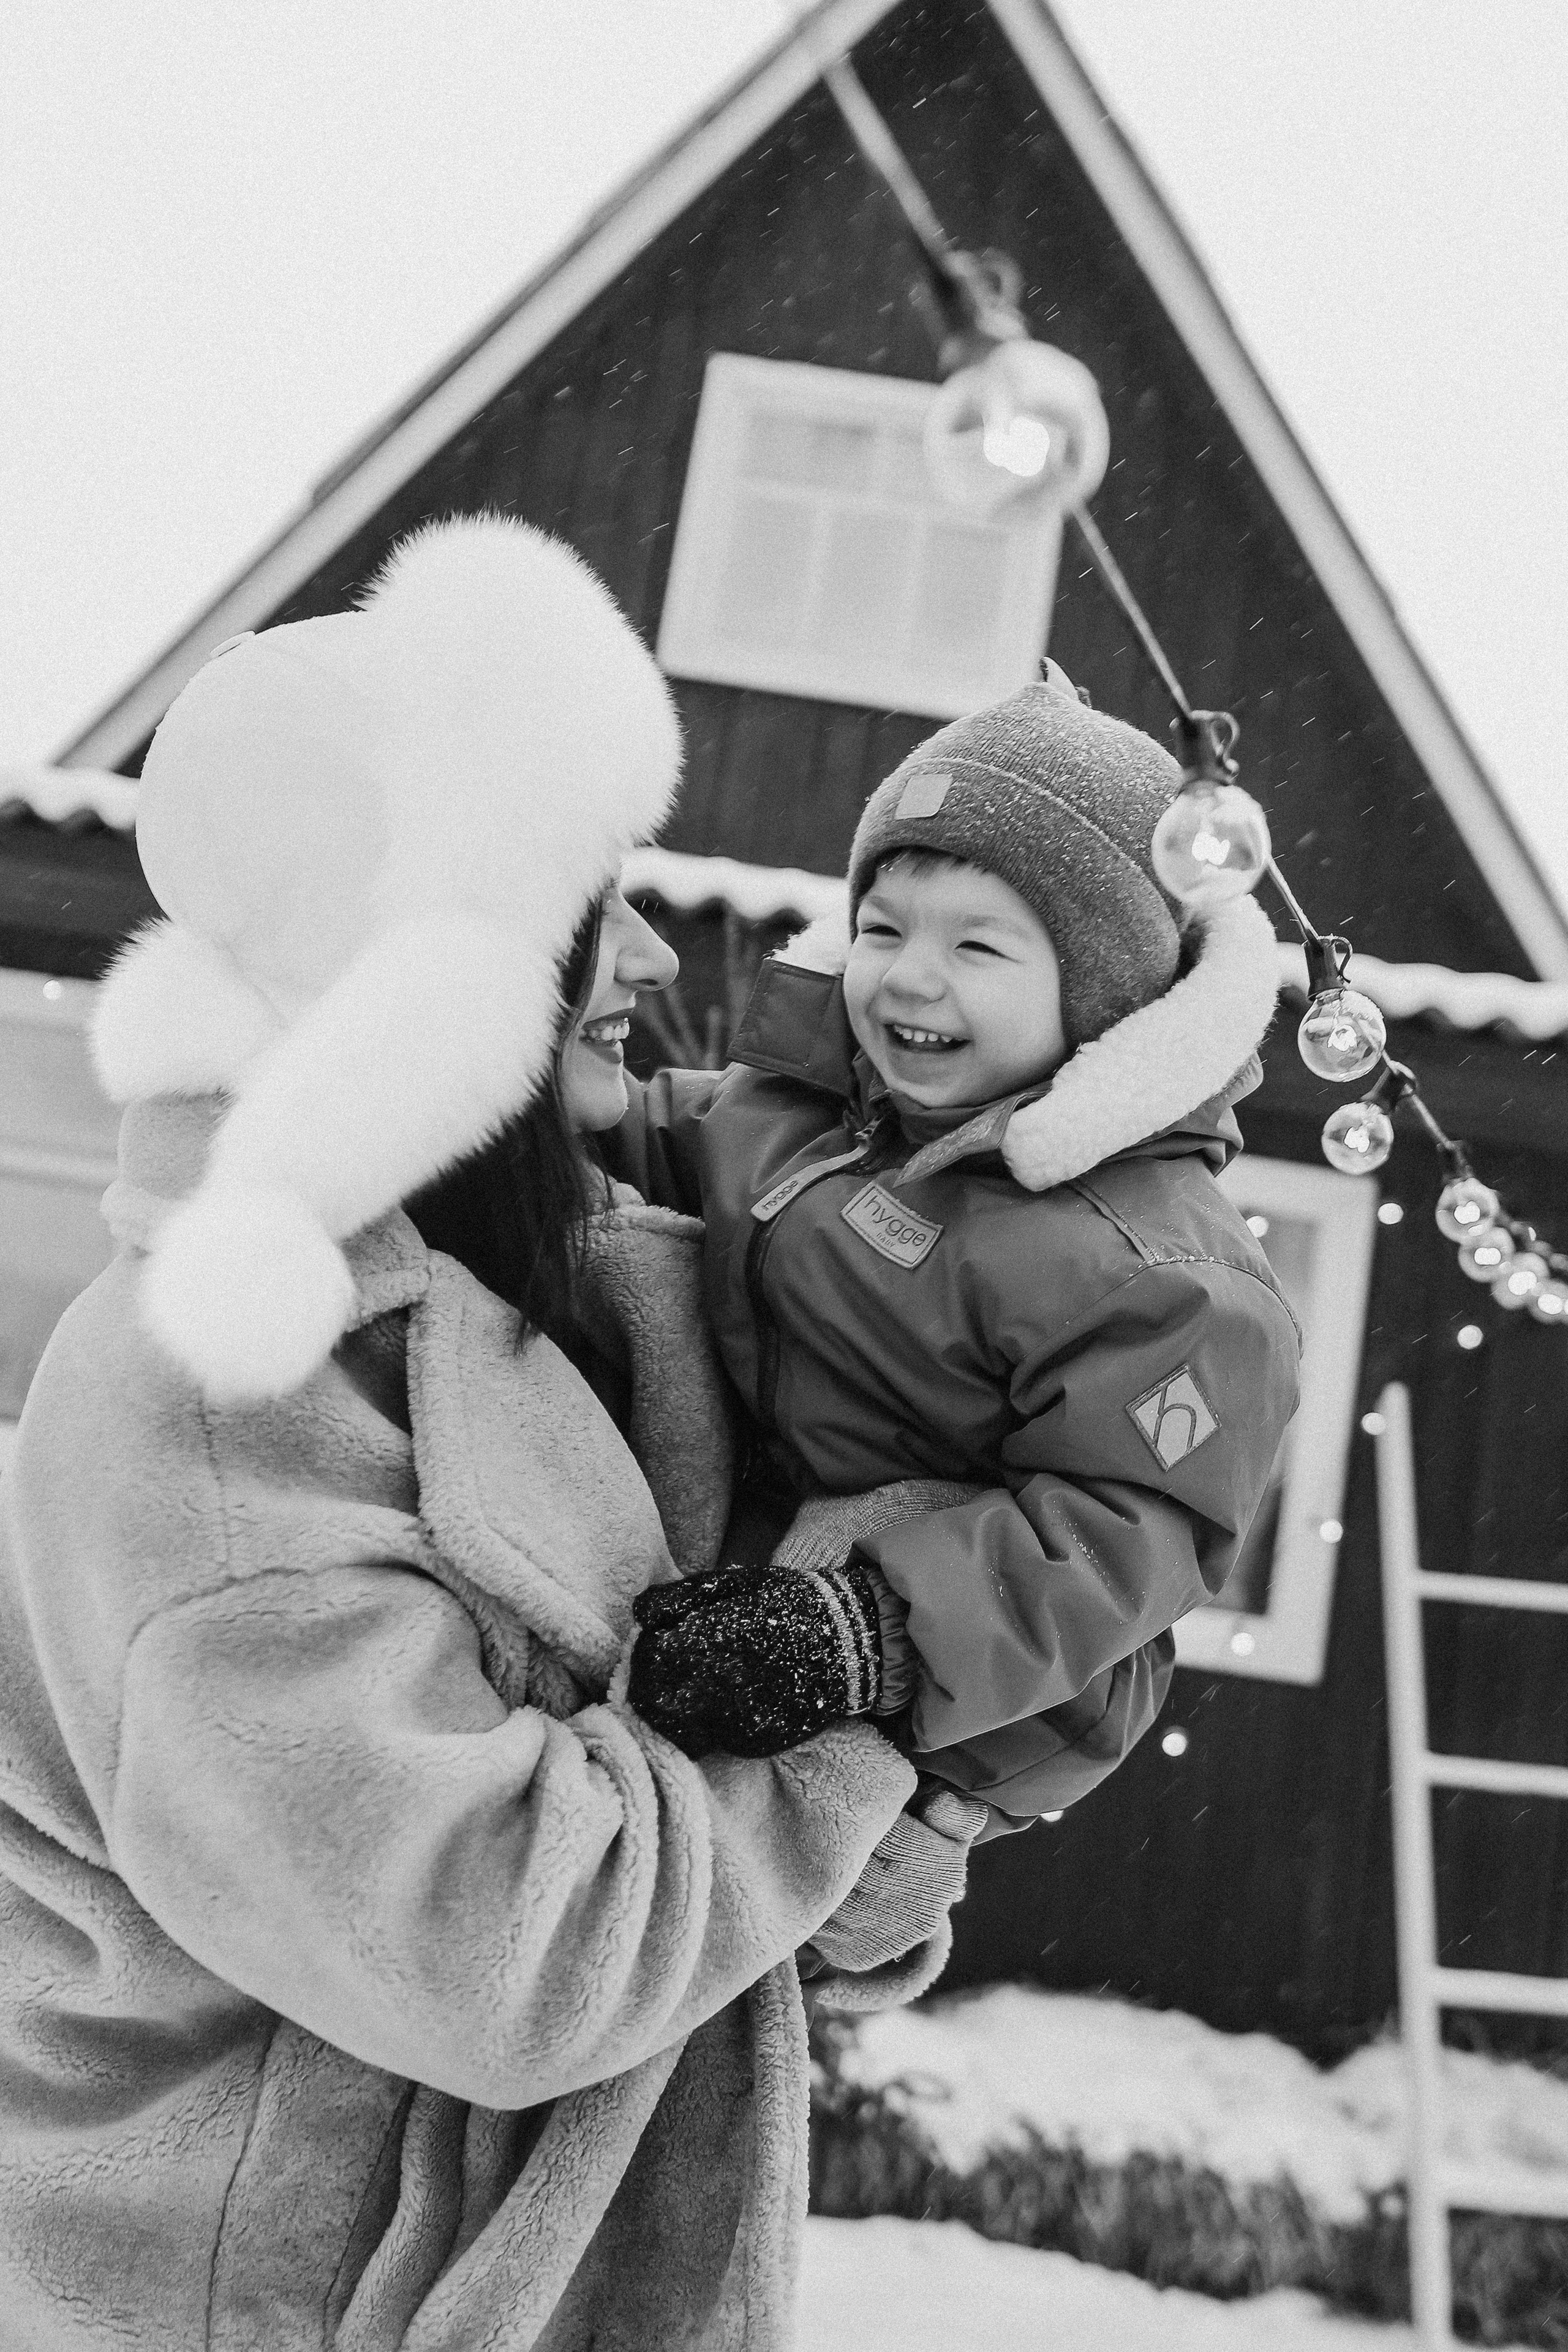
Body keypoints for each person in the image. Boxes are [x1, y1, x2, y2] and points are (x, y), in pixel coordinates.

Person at [0, 517, 976, 2351]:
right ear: (424, 982)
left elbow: (724, 1786)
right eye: (576, 908)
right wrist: (868, 1688)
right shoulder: (202, 1415)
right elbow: (506, 1956)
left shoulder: (584, 1307)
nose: (647, 961)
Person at [616, 674, 1302, 1833]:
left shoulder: (1158, 1273)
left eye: (979, 947)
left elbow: (1129, 1532)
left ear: (1100, 994)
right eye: (882, 929)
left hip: (979, 1710)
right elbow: (647, 1143)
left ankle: (864, 1902)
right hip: (760, 1563)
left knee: (785, 1915)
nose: (910, 976)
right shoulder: (802, 1117)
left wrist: (865, 1634)